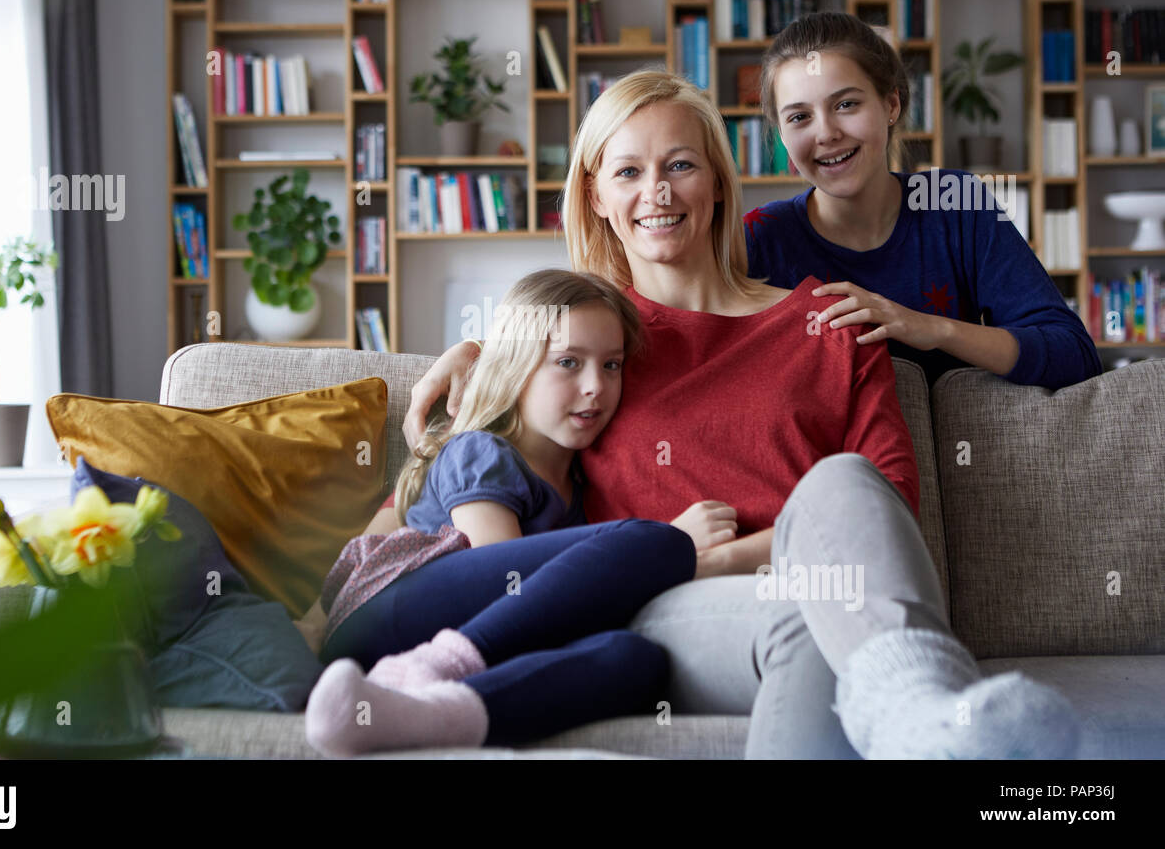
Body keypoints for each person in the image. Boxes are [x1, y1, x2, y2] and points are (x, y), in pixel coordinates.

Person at [396, 70, 1082, 759]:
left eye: (681, 165)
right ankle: (932, 719)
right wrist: (480, 356)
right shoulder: (586, 350)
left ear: (720, 183)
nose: (657, 192)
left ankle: (916, 720)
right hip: (671, 606)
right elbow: (465, 471)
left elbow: (886, 507)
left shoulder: (832, 323)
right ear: (595, 196)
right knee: (810, 619)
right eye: (628, 171)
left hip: (844, 592)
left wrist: (755, 559)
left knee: (843, 486)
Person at [306, 268, 739, 756]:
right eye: (569, 362)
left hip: (437, 642)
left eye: (612, 365)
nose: (596, 386)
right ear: (516, 367)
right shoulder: (481, 452)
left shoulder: (579, 486)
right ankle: (431, 669)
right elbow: (506, 584)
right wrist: (667, 550)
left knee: (636, 660)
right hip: (381, 612)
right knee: (656, 540)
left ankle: (433, 713)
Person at [747, 10, 1100, 389]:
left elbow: (1075, 356)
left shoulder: (955, 204)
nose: (826, 133)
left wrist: (932, 328)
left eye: (846, 104)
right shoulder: (761, 237)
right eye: (799, 117)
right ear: (782, 135)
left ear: (891, 105)